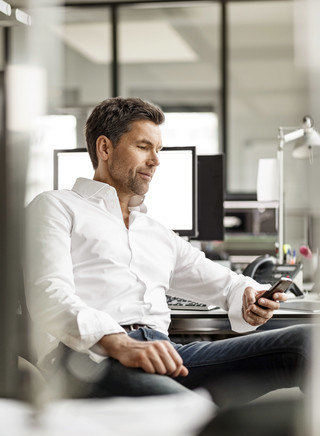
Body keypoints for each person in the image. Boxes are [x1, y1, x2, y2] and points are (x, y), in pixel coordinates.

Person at [24, 97, 309, 407]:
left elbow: (226, 284)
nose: (156, 160)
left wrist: (249, 297)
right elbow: (48, 294)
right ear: (105, 148)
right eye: (144, 147)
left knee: (309, 342)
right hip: (88, 357)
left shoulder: (156, 233)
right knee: (193, 416)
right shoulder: (55, 206)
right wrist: (117, 342)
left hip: (163, 352)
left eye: (157, 150)